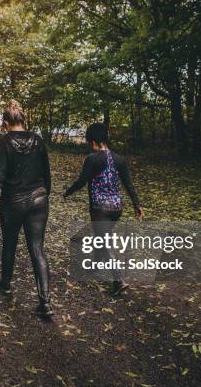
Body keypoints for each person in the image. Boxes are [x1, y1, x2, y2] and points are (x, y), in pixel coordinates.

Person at [0, 100, 53, 318]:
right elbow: (46, 173)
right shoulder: (39, 141)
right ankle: (46, 303)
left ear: (5, 122)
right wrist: (44, 194)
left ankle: (5, 284)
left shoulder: (4, 142)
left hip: (13, 202)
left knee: (10, 244)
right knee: (37, 248)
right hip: (39, 200)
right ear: (23, 119)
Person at [63, 122, 144, 296]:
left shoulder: (91, 159)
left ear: (93, 141)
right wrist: (137, 205)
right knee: (101, 236)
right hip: (116, 209)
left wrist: (67, 192)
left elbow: (82, 181)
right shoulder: (120, 159)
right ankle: (95, 267)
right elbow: (128, 184)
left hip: (99, 209)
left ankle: (118, 279)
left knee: (102, 241)